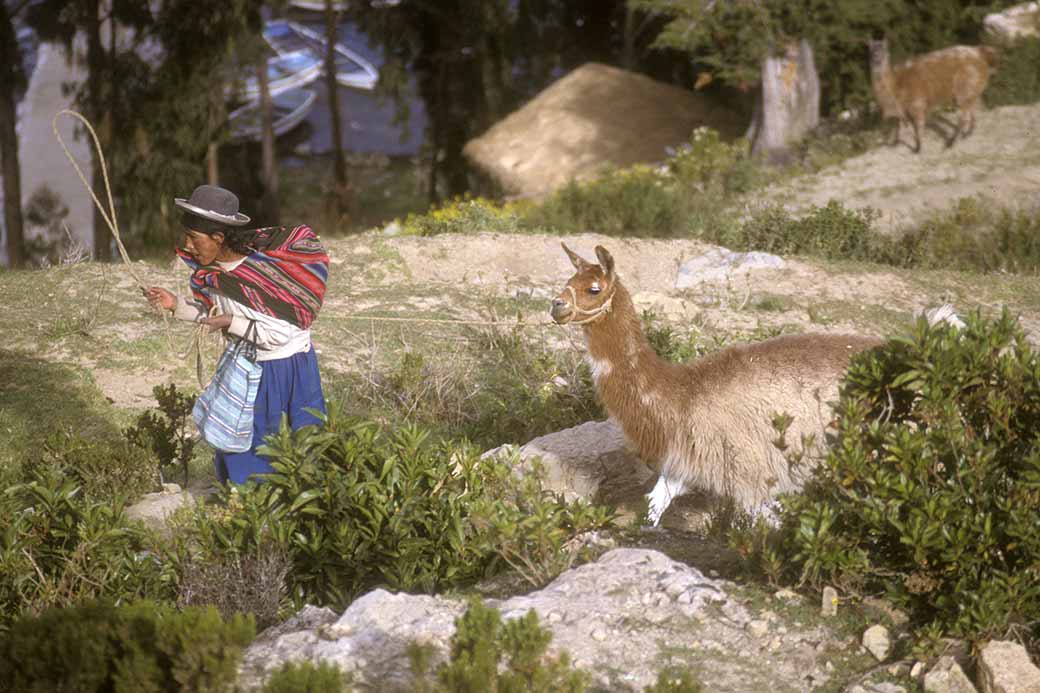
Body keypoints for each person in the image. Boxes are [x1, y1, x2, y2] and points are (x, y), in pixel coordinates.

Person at [144, 185, 329, 485]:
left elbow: (281, 334)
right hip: (248, 364)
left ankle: (285, 511)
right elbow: (216, 315)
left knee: (289, 444)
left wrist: (232, 322)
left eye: (194, 238)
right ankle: (244, 509)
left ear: (218, 239)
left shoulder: (259, 274)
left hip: (283, 369)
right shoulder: (215, 273)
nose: (187, 245)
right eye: (186, 236)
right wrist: (175, 304)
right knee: (238, 439)